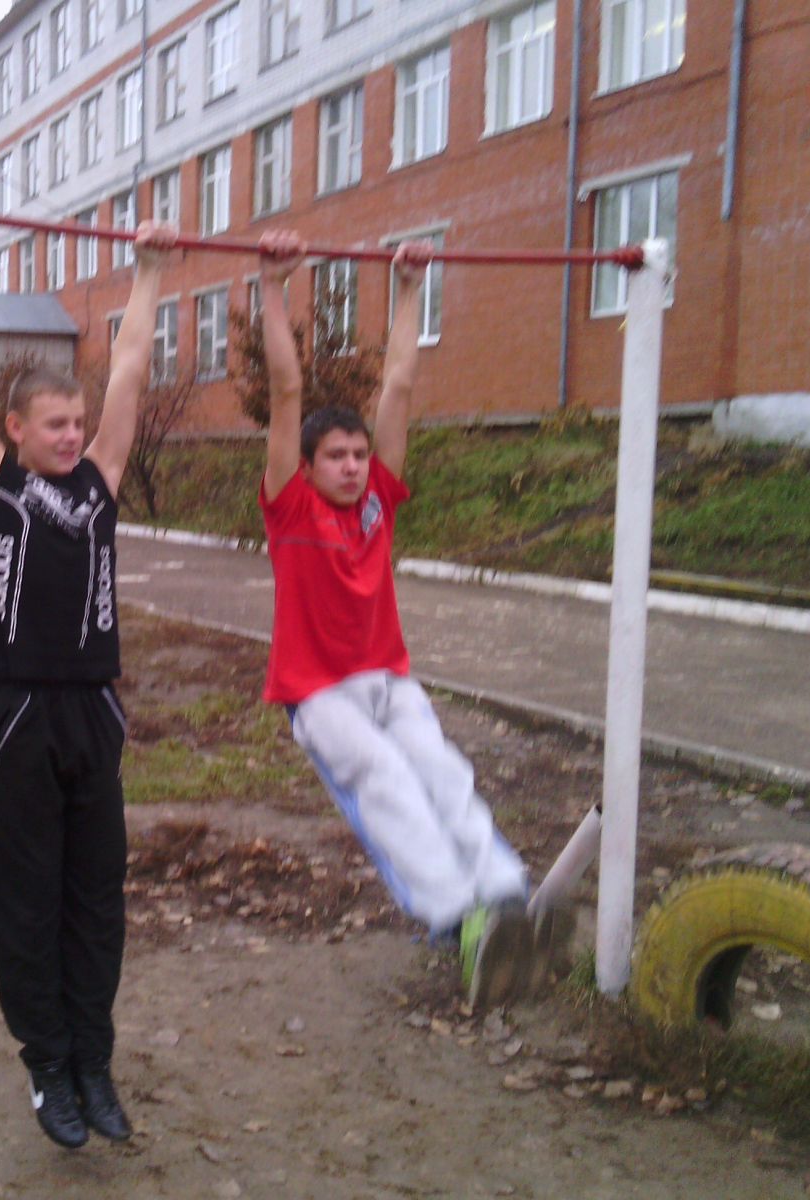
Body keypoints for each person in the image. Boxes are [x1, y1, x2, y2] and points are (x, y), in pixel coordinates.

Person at [0, 192, 178, 1149]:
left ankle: (93, 1065)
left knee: (96, 903)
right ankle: (47, 1067)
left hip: (94, 717)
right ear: (17, 429)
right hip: (22, 719)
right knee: (26, 903)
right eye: (56, 424)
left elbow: (134, 366)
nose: (73, 435)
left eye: (78, 421)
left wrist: (149, 271)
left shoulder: (101, 484)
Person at [254, 230, 538, 1007]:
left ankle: (505, 893)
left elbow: (401, 386)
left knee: (443, 771)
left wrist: (410, 288)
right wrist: (274, 286)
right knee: (388, 785)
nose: (351, 465)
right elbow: (284, 389)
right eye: (335, 456)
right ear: (308, 466)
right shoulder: (291, 508)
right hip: (319, 693)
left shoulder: (379, 497)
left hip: (387, 677)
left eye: (357, 453)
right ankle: (455, 917)